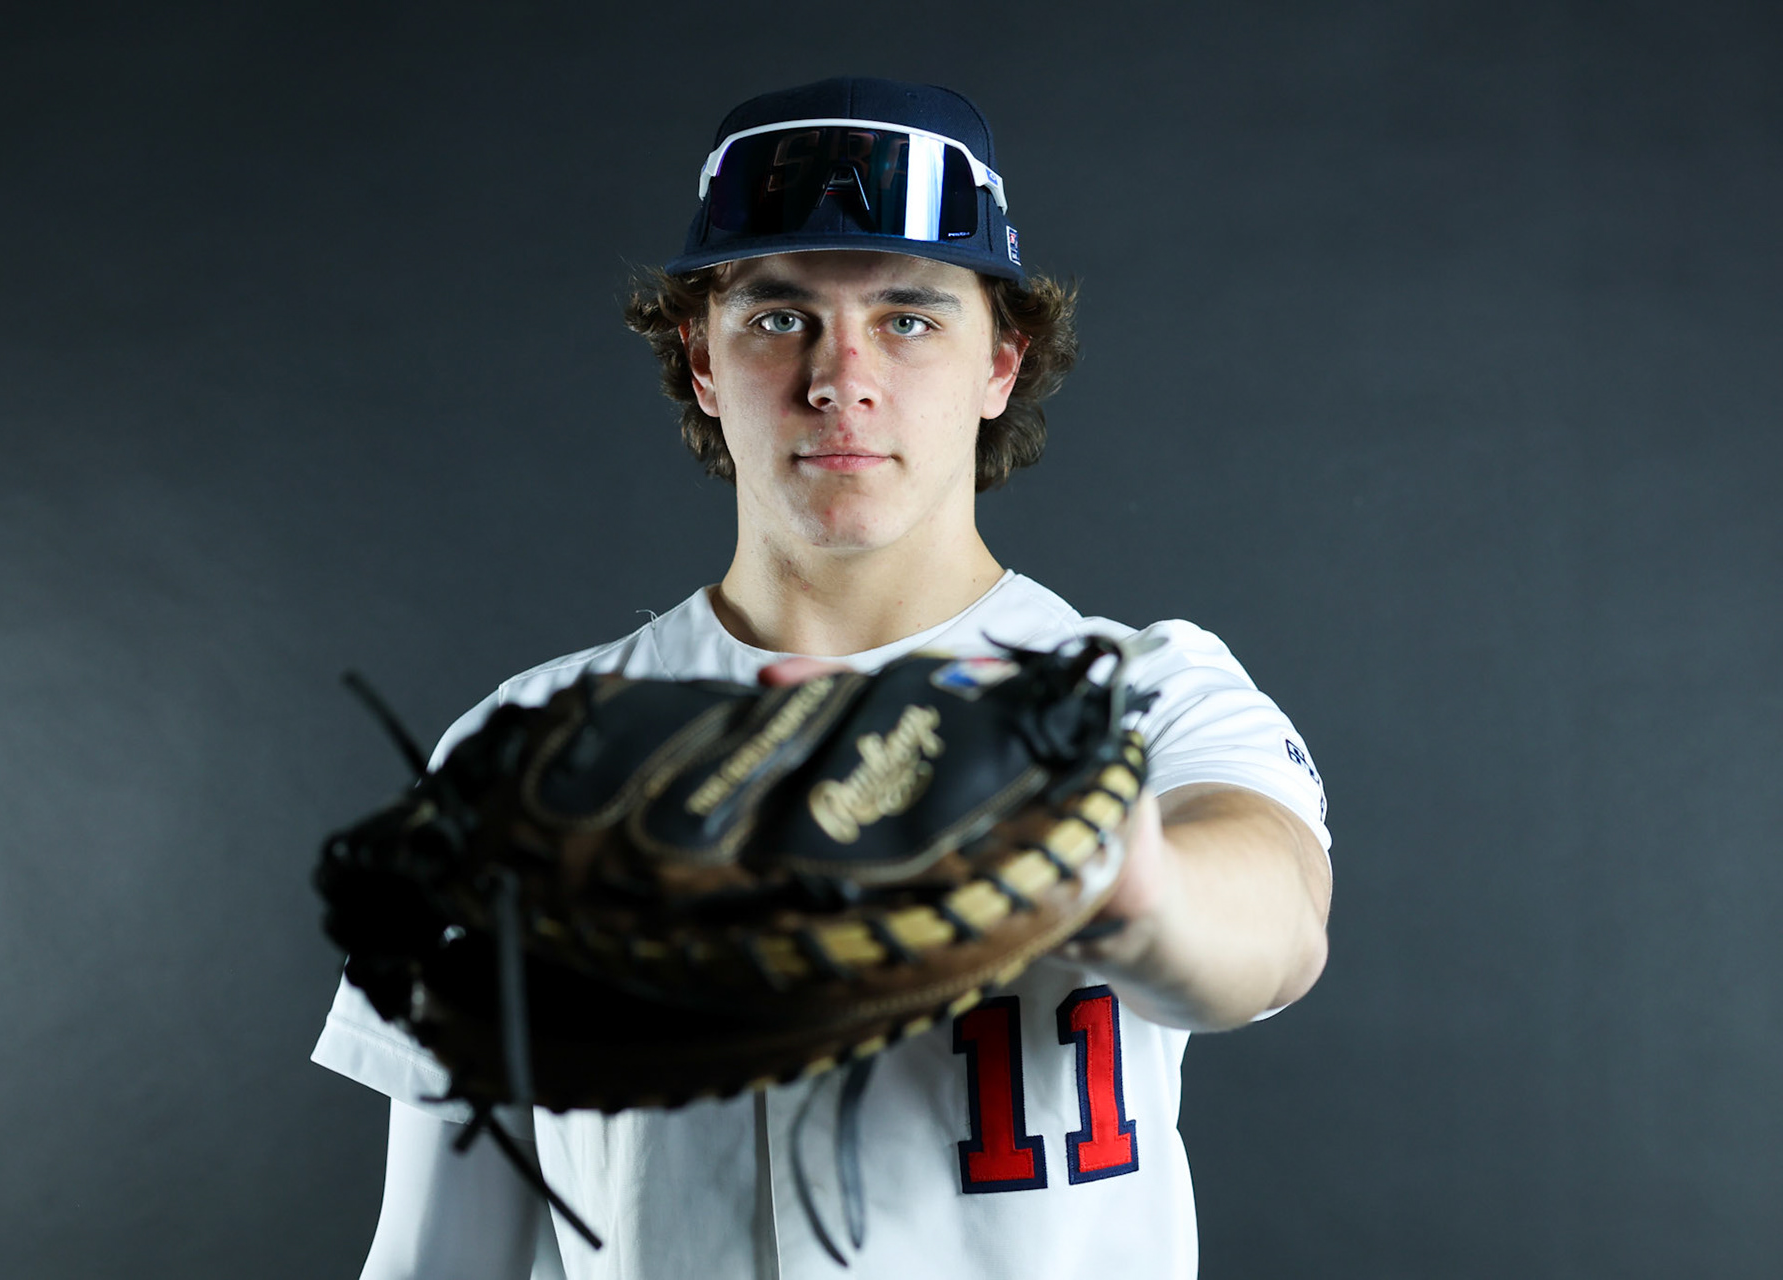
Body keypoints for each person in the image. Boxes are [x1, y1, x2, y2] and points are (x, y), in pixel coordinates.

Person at [313, 76, 1332, 1279]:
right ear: (701, 358)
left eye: (910, 317)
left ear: (1000, 363)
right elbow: (439, 1252)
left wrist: (1115, 872)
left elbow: (1270, 924)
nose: (841, 375)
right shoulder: (529, 748)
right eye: (778, 316)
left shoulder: (1140, 693)